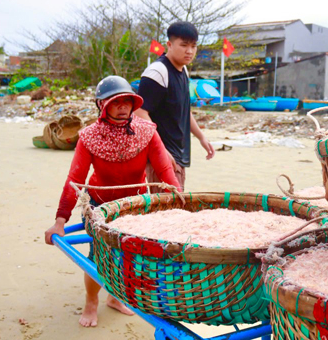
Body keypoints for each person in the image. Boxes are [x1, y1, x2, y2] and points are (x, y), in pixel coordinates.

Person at [44, 75, 180, 327]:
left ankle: (116, 297)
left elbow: (166, 172)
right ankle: (91, 301)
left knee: (131, 255)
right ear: (101, 105)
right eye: (115, 102)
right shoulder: (88, 137)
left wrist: (181, 205)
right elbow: (75, 180)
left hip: (135, 206)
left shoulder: (147, 132)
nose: (122, 107)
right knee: (99, 255)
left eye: (127, 101)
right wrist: (60, 221)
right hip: (99, 204)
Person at [135, 21, 215, 191]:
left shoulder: (183, 71)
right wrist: (161, 150)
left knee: (175, 206)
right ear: (169, 45)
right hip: (161, 157)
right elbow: (140, 112)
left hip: (178, 153)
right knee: (167, 210)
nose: (190, 51)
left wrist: (201, 137)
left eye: (194, 46)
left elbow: (185, 111)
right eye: (184, 45)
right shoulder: (158, 72)